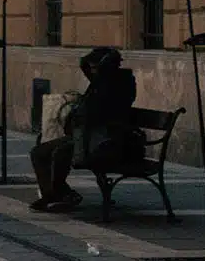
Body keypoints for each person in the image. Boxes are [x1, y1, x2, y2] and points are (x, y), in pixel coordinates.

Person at [30, 44, 146, 211]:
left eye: (94, 67)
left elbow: (98, 112)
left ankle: (59, 194)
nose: (91, 71)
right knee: (38, 152)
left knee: (60, 152)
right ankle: (53, 194)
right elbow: (84, 66)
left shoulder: (120, 83)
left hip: (109, 141)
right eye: (91, 68)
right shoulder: (99, 82)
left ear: (106, 66)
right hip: (87, 137)